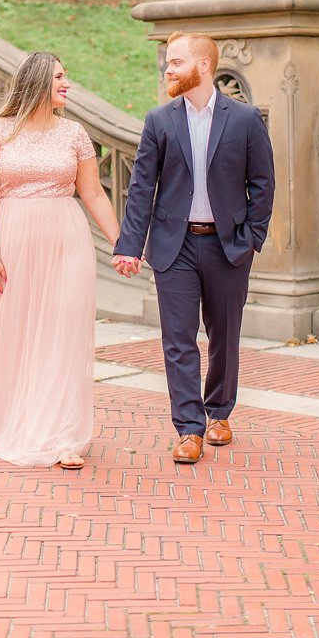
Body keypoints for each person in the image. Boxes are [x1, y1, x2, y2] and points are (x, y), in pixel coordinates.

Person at [113, 32, 275, 465]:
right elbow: (141, 187)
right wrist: (129, 245)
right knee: (178, 340)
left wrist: (251, 237)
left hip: (228, 246)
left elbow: (262, 183)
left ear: (203, 66)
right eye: (167, 62)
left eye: (177, 62)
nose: (168, 69)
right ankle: (189, 428)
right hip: (174, 246)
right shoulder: (159, 121)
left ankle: (219, 412)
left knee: (224, 336)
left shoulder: (244, 120)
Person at [0, 51, 120, 470]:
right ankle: (6, 420)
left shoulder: (75, 134)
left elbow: (94, 193)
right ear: (38, 82)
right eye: (60, 77)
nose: (68, 84)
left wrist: (122, 243)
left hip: (67, 242)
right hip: (13, 243)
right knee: (15, 333)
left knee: (63, 335)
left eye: (67, 76)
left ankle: (63, 435)